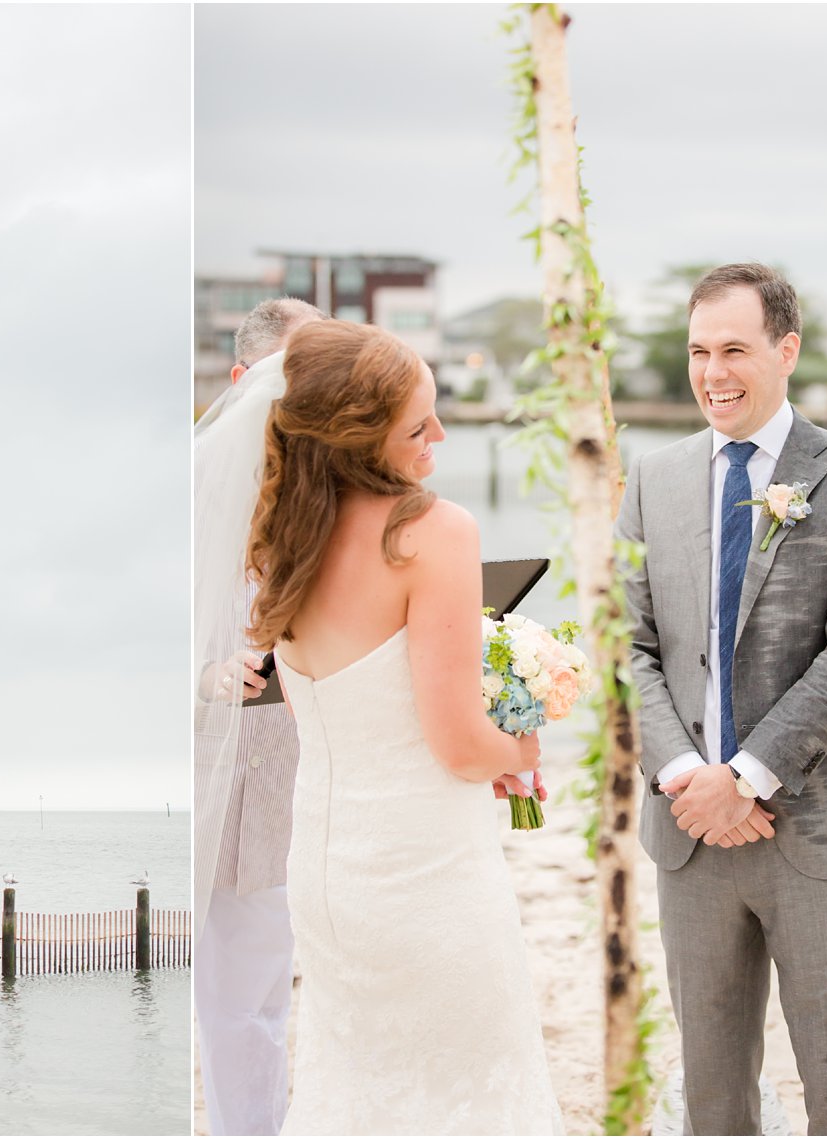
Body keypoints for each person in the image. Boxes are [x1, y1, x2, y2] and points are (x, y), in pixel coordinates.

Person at [207, 318, 561, 1134]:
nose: (440, 435)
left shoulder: (281, 543)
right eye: (418, 425)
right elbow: (458, 743)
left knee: (356, 1092)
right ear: (357, 437)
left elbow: (324, 712)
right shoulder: (432, 534)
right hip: (427, 876)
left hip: (330, 885)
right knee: (475, 1094)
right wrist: (521, 744)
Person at [615, 263, 827, 1135]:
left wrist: (744, 776)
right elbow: (628, 645)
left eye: (735, 349)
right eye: (700, 351)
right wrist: (683, 775)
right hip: (688, 830)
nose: (714, 373)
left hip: (813, 827)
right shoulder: (651, 477)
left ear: (787, 349)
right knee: (711, 1088)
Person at [194, 297, 323, 1137]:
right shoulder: (186, 491)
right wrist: (205, 675)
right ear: (247, 380)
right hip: (192, 768)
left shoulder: (327, 489)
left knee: (256, 994)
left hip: (286, 774)